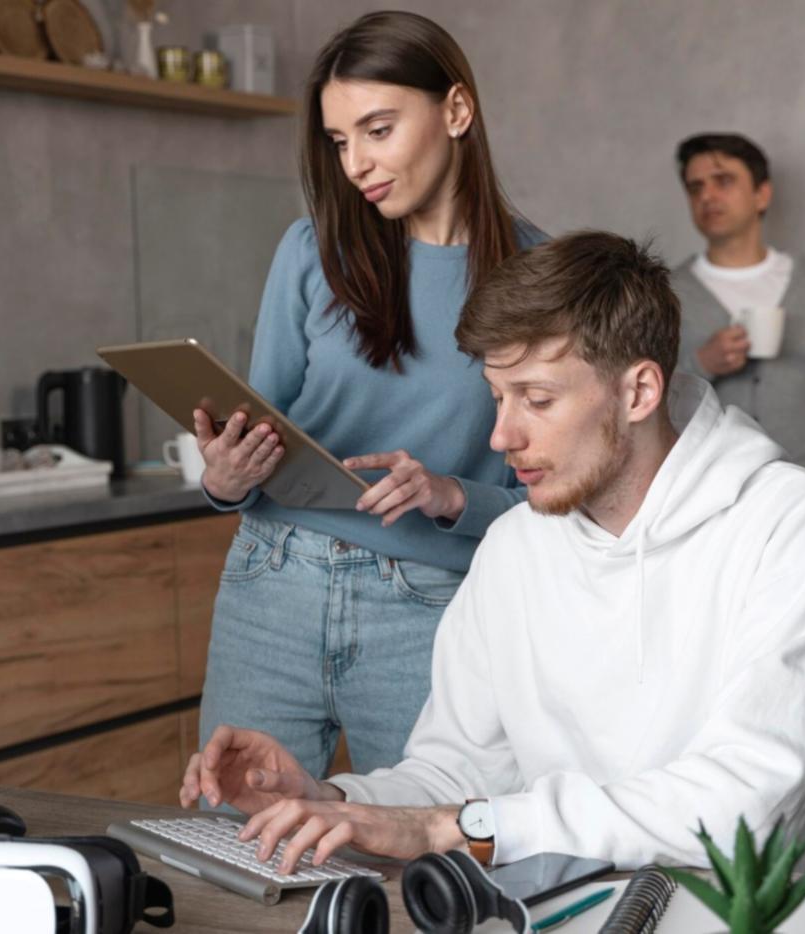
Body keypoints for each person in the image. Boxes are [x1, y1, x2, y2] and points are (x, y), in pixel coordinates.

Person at [182, 231, 805, 874]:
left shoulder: (789, 522)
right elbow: (455, 776)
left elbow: (738, 811)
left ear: (638, 390)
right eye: (496, 397)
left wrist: (459, 826)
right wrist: (332, 800)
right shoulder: (515, 546)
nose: (501, 437)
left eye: (536, 399)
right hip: (555, 910)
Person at [194, 11, 546, 778]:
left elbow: (559, 500)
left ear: (456, 111)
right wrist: (225, 480)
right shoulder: (310, 251)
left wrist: (454, 494)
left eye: (378, 129)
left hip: (430, 609)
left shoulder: (541, 278)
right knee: (237, 841)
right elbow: (259, 433)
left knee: (442, 862)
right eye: (339, 140)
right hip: (271, 583)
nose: (355, 163)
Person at [670, 133, 805, 490]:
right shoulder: (667, 294)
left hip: (803, 487)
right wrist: (701, 363)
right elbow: (643, 397)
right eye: (695, 187)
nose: (707, 196)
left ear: (762, 193)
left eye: (724, 181)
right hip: (702, 491)